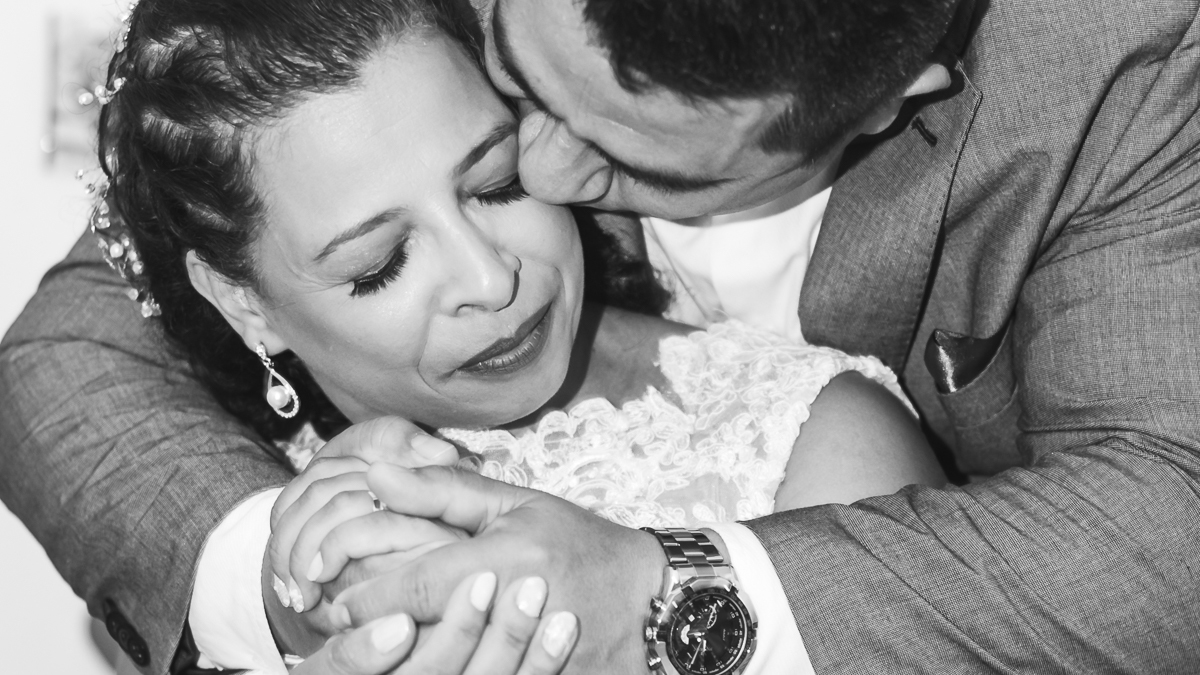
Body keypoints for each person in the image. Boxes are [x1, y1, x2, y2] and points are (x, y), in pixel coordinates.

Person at [1, 0, 1197, 670]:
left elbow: (1164, 528)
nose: (547, 173)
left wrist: (663, 603)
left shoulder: (1114, 68)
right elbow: (65, 361)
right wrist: (286, 586)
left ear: (887, 102)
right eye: (520, 85)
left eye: (628, 155)